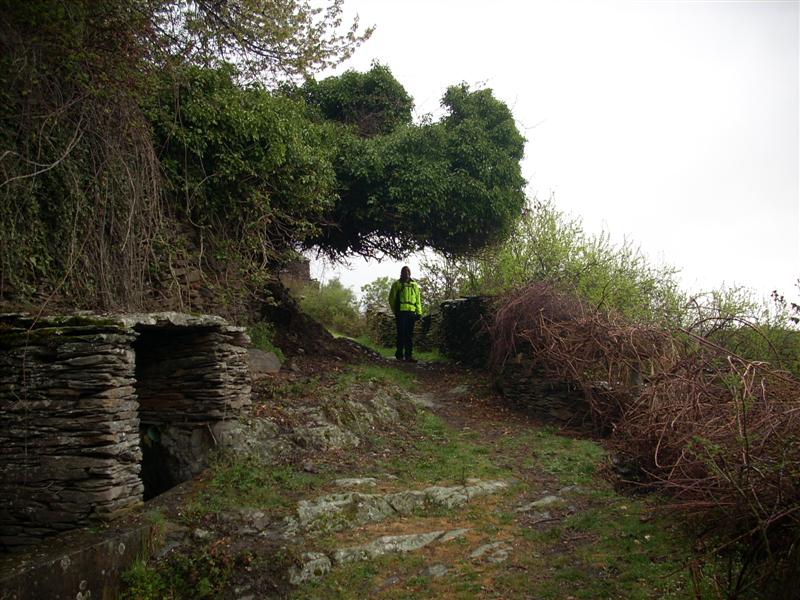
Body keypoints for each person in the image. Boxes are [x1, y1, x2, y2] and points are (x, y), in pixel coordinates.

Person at [388, 266, 423, 362]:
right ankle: (399, 354)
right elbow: (391, 299)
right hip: (401, 312)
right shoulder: (397, 284)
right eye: (404, 272)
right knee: (401, 333)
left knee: (409, 335)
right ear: (401, 273)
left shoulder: (414, 285)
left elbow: (418, 300)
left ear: (409, 273)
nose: (406, 274)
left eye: (407, 272)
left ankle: (409, 355)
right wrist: (396, 311)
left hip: (411, 312)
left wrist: (419, 312)